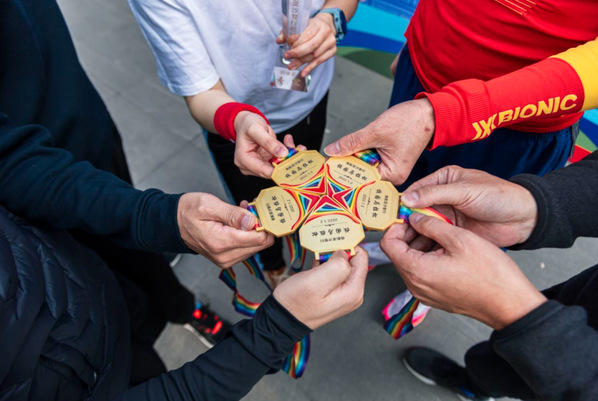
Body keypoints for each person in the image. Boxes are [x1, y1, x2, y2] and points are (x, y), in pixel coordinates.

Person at [0, 0, 273, 383]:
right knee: (94, 305)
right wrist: (157, 217)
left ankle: (184, 307)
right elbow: (9, 161)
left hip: (89, 133)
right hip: (33, 202)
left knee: (141, 256)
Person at [325, 0, 598, 324]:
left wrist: (447, 113)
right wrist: (416, 39)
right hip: (421, 77)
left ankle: (431, 284)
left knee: (475, 221)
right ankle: (396, 247)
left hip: (518, 125)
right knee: (402, 189)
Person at [0, 204, 368, 400]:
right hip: (93, 384)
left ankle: (188, 310)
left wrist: (165, 215)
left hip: (87, 287)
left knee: (149, 301)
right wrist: (275, 330)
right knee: (146, 376)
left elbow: (15, 156)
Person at [129, 0, 358, 287]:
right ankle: (274, 266)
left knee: (310, 188)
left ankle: (307, 237)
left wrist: (330, 19)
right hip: (236, 126)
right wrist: (239, 121)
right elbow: (200, 92)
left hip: (311, 94)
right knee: (257, 214)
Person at [379, 152, 598, 400]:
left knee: (529, 367)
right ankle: (474, 384)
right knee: (501, 363)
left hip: (576, 376)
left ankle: (477, 389)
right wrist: (538, 205)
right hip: (584, 297)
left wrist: (508, 305)